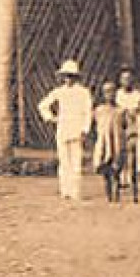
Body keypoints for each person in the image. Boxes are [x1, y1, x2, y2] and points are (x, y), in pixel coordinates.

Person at [36, 59, 93, 201]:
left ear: (76, 77)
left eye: (71, 76)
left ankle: (76, 192)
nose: (68, 79)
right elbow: (43, 105)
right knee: (64, 162)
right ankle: (65, 191)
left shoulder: (83, 92)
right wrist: (50, 118)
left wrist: (85, 129)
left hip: (77, 130)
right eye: (66, 76)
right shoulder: (59, 92)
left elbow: (88, 112)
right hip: (63, 129)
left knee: (76, 161)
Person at [90, 81, 125, 203]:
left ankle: (116, 197)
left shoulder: (120, 110)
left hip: (116, 144)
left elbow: (124, 126)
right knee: (105, 172)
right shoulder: (98, 110)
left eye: (112, 91)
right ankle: (109, 197)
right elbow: (93, 127)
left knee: (115, 171)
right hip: (103, 144)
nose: (110, 94)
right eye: (107, 92)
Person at [114, 68, 140, 202]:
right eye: (123, 79)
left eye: (128, 78)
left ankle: (135, 193)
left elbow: (137, 112)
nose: (126, 81)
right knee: (118, 160)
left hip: (133, 130)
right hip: (119, 130)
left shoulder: (137, 95)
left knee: (133, 161)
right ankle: (117, 193)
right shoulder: (118, 94)